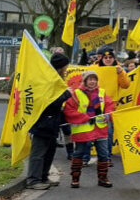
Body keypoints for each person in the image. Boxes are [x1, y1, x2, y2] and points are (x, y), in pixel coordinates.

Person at [63, 69, 116, 188]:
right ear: (85, 81)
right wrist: (85, 117)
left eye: (94, 79)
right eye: (90, 79)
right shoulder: (76, 93)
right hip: (83, 129)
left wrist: (108, 114)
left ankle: (103, 178)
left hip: (100, 128)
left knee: (103, 154)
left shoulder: (102, 92)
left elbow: (110, 105)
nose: (92, 82)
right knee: (79, 154)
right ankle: (75, 179)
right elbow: (69, 110)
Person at [27, 53, 72, 190]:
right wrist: (66, 94)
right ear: (60, 67)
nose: (66, 69)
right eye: (65, 66)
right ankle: (33, 180)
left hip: (52, 122)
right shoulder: (48, 80)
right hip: (43, 121)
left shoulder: (55, 79)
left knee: (50, 150)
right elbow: (49, 101)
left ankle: (43, 177)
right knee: (39, 152)